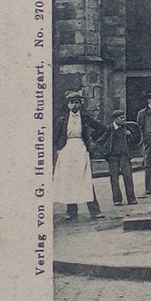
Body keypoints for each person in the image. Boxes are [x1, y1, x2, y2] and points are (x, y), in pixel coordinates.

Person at [52, 90, 106, 221]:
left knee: (85, 179)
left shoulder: (85, 117)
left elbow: (101, 128)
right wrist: (59, 148)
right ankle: (71, 211)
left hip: (81, 148)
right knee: (69, 179)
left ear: (80, 104)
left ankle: (94, 211)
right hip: (67, 150)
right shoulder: (62, 120)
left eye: (77, 102)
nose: (74, 105)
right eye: (71, 103)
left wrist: (92, 141)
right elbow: (54, 136)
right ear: (68, 105)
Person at [97, 109, 138, 207]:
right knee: (114, 179)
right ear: (115, 119)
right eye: (121, 118)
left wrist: (130, 135)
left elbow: (136, 140)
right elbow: (100, 141)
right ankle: (117, 200)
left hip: (124, 156)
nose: (123, 119)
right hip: (113, 157)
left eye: (124, 117)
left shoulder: (126, 128)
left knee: (128, 177)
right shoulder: (109, 129)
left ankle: (131, 199)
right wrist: (105, 153)